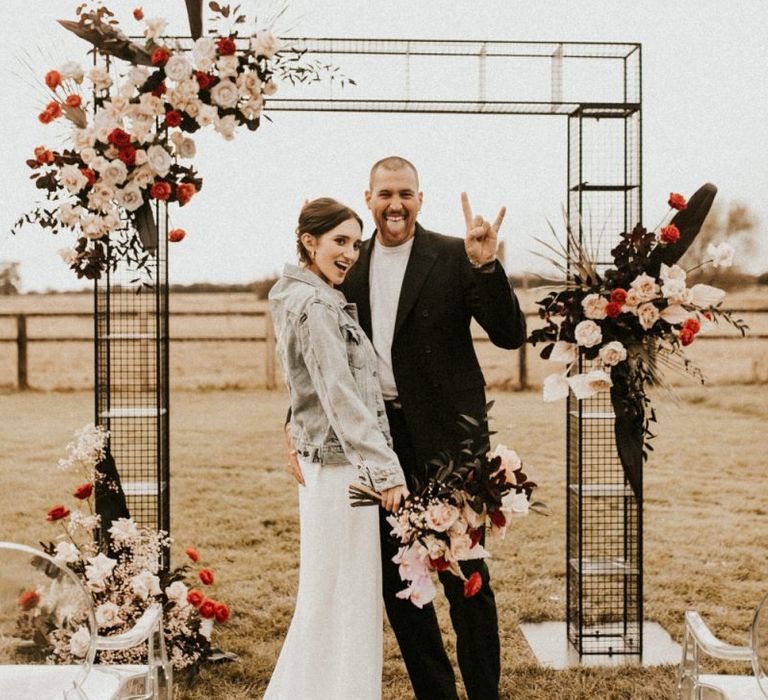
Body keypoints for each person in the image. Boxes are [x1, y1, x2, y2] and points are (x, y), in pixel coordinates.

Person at [286, 157, 527, 699]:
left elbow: (511, 336)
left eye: (406, 193)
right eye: (385, 193)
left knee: (466, 579)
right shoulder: (348, 262)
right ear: (368, 197)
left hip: (450, 445)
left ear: (422, 198)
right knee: (400, 585)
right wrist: (292, 420)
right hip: (376, 447)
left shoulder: (454, 254)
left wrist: (487, 267)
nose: (396, 204)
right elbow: (319, 361)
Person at [265, 197, 408, 700]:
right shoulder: (317, 305)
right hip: (344, 468)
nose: (351, 253)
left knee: (330, 592)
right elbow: (339, 396)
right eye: (340, 242)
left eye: (355, 243)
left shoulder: (297, 294)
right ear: (309, 242)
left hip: (327, 465)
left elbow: (307, 388)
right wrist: (385, 469)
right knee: (344, 596)